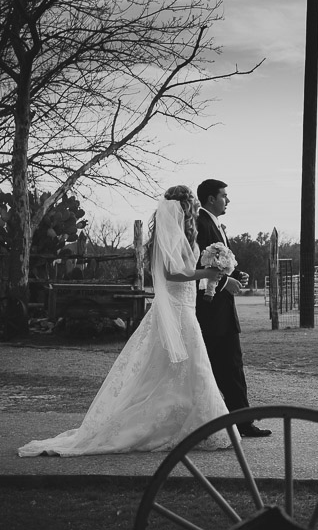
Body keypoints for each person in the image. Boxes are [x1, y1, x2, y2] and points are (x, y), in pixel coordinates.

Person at [18, 186, 235, 457]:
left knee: (178, 370)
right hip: (177, 309)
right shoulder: (171, 237)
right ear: (184, 207)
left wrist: (211, 274)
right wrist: (207, 271)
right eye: (190, 204)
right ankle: (194, 425)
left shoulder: (181, 235)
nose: (192, 209)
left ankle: (190, 424)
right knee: (192, 367)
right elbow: (173, 273)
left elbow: (185, 271)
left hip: (186, 306)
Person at [196, 179, 271, 437]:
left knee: (230, 365)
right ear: (210, 199)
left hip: (222, 310)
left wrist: (236, 272)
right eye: (224, 196)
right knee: (227, 365)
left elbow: (218, 262)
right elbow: (197, 266)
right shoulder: (201, 224)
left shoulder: (215, 224)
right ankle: (240, 422)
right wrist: (226, 281)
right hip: (211, 310)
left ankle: (238, 420)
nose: (228, 200)